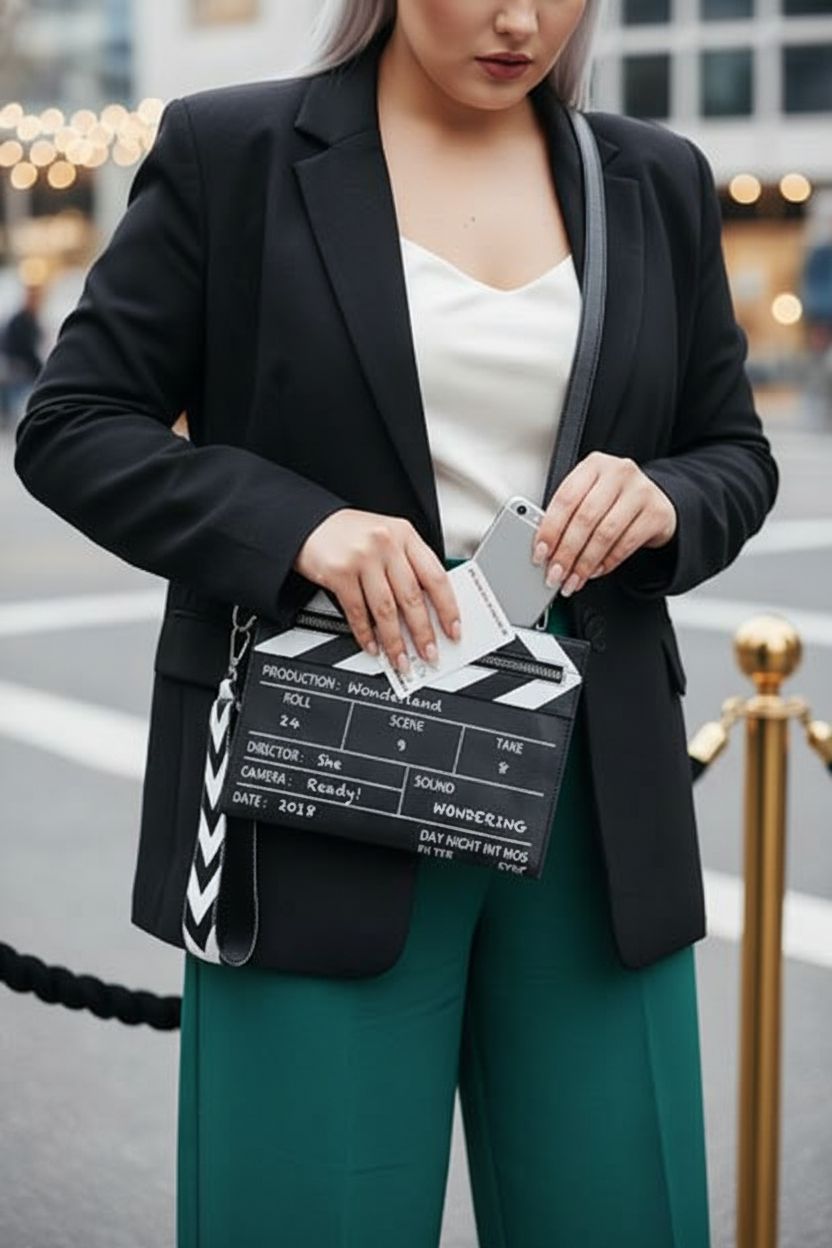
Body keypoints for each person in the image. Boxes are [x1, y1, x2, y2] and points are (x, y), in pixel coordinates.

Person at [13, 2, 779, 1245]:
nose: (522, 19)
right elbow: (75, 423)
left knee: (617, 1210)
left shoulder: (654, 177)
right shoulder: (235, 153)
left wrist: (666, 498)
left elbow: (731, 454)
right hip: (315, 777)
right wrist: (299, 530)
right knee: (311, 1211)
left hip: (596, 797)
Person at [0, 284, 44, 431]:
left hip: (22, 368)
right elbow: (24, 349)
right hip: (17, 369)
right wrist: (40, 370)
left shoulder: (32, 319)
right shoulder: (21, 320)